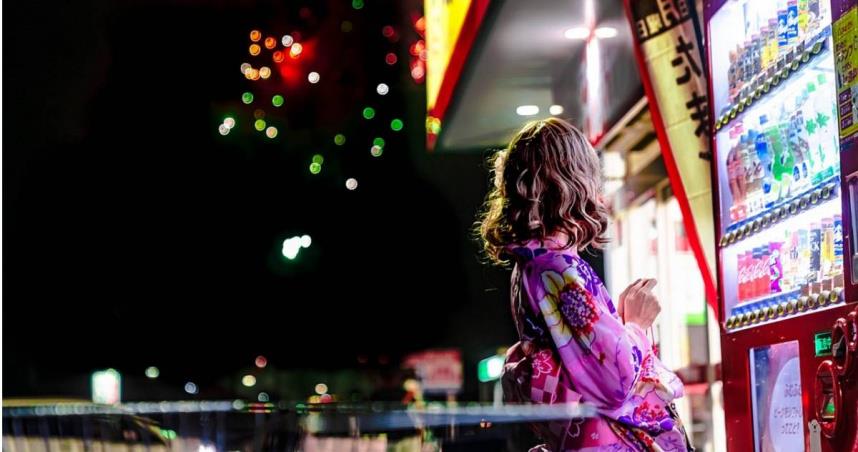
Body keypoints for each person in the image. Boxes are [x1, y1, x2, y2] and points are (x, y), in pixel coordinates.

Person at [476, 118, 692, 451]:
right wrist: (636, 323)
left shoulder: (531, 263)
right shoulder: (558, 268)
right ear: (573, 179)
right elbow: (615, 381)